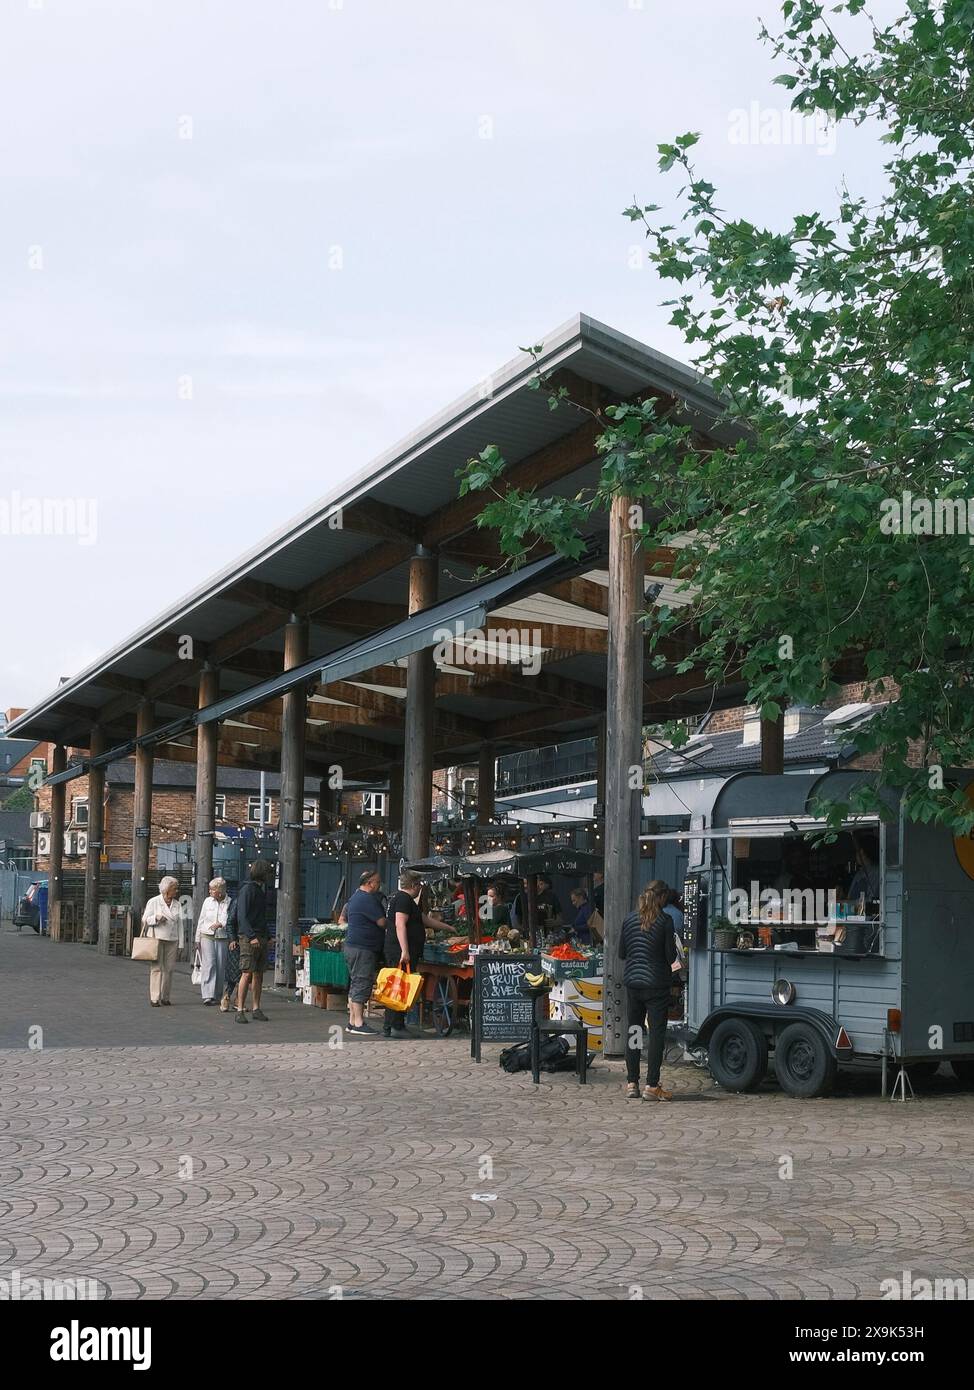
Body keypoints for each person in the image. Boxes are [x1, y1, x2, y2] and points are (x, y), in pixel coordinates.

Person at [619, 879, 682, 1101]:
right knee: (656, 1034)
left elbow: (622, 953)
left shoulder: (628, 919)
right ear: (662, 897)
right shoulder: (665, 921)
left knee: (634, 1031)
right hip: (656, 985)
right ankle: (652, 1085)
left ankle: (632, 1082)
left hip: (633, 984)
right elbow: (670, 957)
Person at [382, 870, 438, 1038]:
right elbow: (400, 925)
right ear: (414, 885)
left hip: (398, 949)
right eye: (419, 884)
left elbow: (423, 919)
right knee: (400, 987)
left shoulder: (400, 899)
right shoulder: (404, 900)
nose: (420, 887)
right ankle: (396, 1025)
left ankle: (389, 1026)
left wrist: (448, 927)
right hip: (400, 951)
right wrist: (405, 950)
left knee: (396, 985)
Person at [343, 869, 387, 1036]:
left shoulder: (355, 897)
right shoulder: (367, 899)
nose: (379, 885)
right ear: (369, 883)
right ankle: (359, 1023)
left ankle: (352, 1021)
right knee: (362, 982)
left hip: (353, 946)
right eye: (377, 882)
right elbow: (382, 922)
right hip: (363, 948)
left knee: (355, 982)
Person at [230, 858, 273, 1024]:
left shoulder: (256, 890)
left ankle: (256, 1007)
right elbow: (242, 915)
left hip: (258, 935)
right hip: (250, 937)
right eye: (268, 873)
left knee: (258, 974)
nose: (269, 876)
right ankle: (240, 1009)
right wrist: (252, 936)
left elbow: (260, 917)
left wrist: (267, 936)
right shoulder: (248, 890)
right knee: (247, 972)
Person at [142, 875, 182, 1007]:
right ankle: (154, 998)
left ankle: (165, 997)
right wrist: (156, 918)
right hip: (157, 938)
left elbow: (180, 924)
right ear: (166, 890)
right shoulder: (154, 901)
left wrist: (181, 943)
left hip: (172, 939)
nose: (176, 891)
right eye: (174, 889)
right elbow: (145, 920)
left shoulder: (177, 904)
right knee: (157, 968)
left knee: (169, 969)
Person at [195, 877, 230, 1006]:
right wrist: (197, 939)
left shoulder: (229, 902)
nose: (210, 891)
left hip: (222, 938)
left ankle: (217, 994)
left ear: (220, 891)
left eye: (212, 889)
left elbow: (231, 919)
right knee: (209, 965)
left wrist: (222, 924)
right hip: (206, 936)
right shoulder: (207, 901)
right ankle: (207, 995)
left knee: (220, 967)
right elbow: (201, 919)